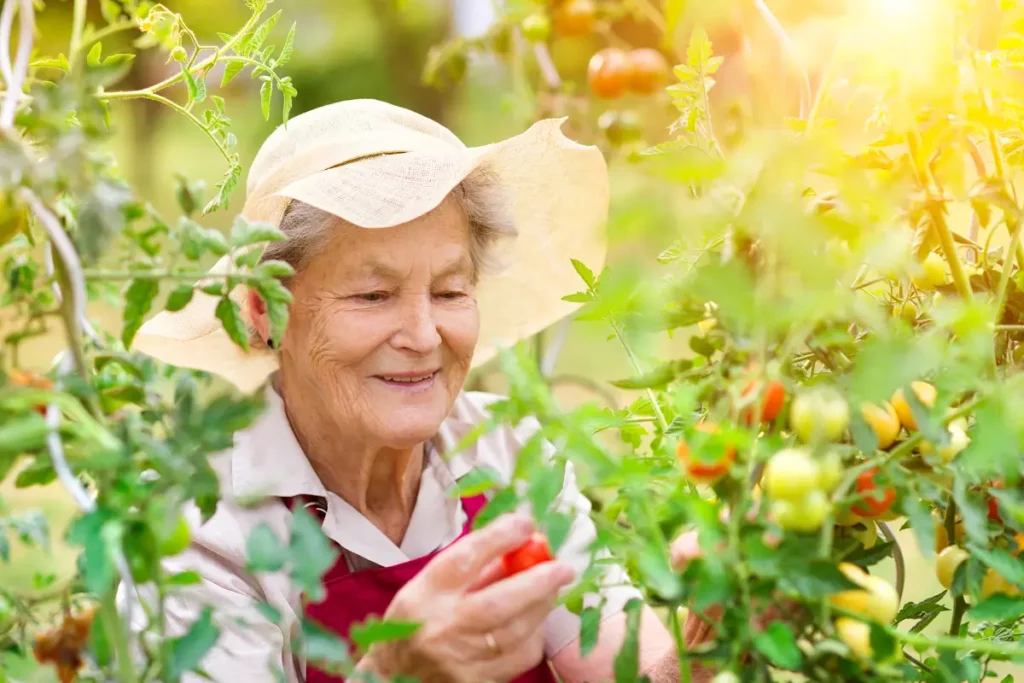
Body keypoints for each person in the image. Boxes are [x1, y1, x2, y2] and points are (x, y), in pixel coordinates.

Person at [131, 99, 719, 683]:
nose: (422, 335)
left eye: (449, 291)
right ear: (267, 311)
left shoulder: (509, 453)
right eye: (372, 296)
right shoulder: (199, 528)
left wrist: (719, 636)